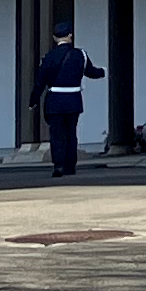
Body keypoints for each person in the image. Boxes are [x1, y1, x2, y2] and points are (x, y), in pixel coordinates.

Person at [37, 21, 101, 177]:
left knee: (57, 135)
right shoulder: (80, 55)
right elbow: (91, 72)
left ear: (54, 37)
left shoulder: (49, 57)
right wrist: (104, 72)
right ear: (70, 35)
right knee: (71, 133)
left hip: (55, 99)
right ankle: (70, 165)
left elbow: (41, 81)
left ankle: (58, 165)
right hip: (73, 99)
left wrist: (34, 100)